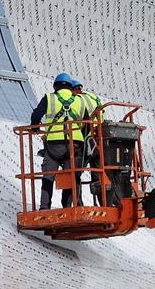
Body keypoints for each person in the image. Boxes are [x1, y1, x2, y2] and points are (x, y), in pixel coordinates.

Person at [33, 72, 102, 209]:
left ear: (56, 86)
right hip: (75, 145)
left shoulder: (49, 98)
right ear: (70, 87)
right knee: (72, 176)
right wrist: (80, 137)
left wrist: (35, 129)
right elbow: (87, 123)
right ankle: (69, 207)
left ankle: (44, 207)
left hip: (53, 144)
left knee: (48, 177)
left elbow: (36, 115)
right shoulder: (79, 100)